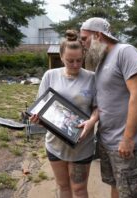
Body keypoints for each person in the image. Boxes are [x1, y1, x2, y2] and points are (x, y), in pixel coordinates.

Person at [80, 17, 137, 198]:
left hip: (124, 142)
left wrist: (128, 138)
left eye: (84, 39)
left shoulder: (125, 52)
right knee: (115, 186)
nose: (83, 44)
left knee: (130, 192)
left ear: (98, 35)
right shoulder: (102, 61)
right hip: (107, 141)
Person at [30, 30, 98, 198]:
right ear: (61, 57)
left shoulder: (92, 78)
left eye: (79, 60)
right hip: (55, 145)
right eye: (70, 61)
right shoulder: (50, 76)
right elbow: (41, 107)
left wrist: (92, 121)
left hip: (82, 145)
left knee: (79, 189)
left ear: (84, 56)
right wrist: (38, 119)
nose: (75, 64)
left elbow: (98, 108)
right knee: (62, 186)